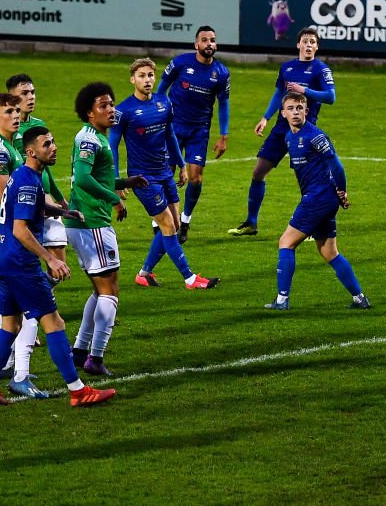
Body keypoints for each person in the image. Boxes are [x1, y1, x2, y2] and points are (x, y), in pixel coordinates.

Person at [0, 126, 117, 407]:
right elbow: (21, 229)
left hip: (3, 260)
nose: (53, 147)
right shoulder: (30, 181)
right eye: (46, 144)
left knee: (9, 325)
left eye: (53, 142)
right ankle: (77, 391)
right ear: (31, 151)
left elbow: (26, 209)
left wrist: (61, 211)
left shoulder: (22, 175)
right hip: (21, 263)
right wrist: (50, 258)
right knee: (54, 323)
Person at [111, 58, 220, 290]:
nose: (147, 80)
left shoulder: (164, 102)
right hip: (143, 178)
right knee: (168, 226)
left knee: (175, 225)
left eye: (150, 75)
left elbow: (170, 135)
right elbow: (112, 146)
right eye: (141, 75)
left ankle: (144, 273)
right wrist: (116, 181)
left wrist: (181, 165)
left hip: (165, 172)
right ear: (132, 79)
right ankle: (190, 278)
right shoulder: (123, 111)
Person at [65, 83, 149, 376]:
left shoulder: (91, 137)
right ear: (89, 113)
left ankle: (79, 349)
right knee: (110, 291)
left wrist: (126, 182)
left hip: (82, 223)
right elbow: (85, 180)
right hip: (93, 224)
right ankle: (95, 358)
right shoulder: (90, 140)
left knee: (98, 289)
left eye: (111, 104)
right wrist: (116, 200)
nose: (111, 109)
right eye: (103, 105)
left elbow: (96, 177)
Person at [264, 92, 369, 310]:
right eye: (291, 108)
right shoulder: (289, 137)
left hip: (319, 198)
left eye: (299, 108)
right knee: (329, 252)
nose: (295, 112)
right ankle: (359, 298)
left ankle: (282, 300)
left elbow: (337, 166)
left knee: (286, 242)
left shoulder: (316, 136)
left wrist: (342, 190)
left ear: (306, 111)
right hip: (319, 198)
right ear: (283, 113)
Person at [229, 27, 336, 237]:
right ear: (298, 45)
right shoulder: (286, 68)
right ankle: (251, 223)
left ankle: (314, 226)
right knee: (258, 172)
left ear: (317, 47)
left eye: (313, 42)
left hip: (304, 132)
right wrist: (265, 118)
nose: (308, 45)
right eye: (305, 41)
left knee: (308, 181)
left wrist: (304, 90)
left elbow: (331, 97)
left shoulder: (321, 70)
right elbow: (279, 93)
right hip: (281, 128)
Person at [0, 93, 49, 398]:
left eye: (17, 110)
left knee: (12, 315)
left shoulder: (12, 145)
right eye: (9, 111)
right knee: (36, 310)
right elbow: (0, 201)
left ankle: (0, 375)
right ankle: (19, 373)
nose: (16, 115)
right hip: (3, 235)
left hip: (8, 235)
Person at [156, 26, 231, 244]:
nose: (209, 44)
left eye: (213, 40)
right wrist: (157, 115)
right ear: (196, 44)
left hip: (199, 131)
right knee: (166, 173)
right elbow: (160, 90)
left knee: (196, 177)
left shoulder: (221, 73)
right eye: (205, 40)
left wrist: (223, 135)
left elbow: (223, 105)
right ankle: (160, 220)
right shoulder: (180, 63)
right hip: (173, 127)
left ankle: (185, 221)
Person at [6, 73, 70, 281]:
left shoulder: (38, 125)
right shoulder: (6, 130)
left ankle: (39, 300)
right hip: (22, 194)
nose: (31, 97)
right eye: (24, 93)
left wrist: (59, 199)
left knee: (58, 249)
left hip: (42, 191)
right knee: (26, 253)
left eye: (32, 92)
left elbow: (46, 168)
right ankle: (35, 304)